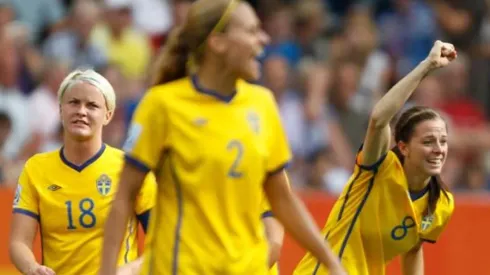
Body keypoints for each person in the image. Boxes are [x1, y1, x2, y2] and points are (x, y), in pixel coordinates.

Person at [99, 0, 345, 274]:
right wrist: (107, 270)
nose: (263, 40)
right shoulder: (162, 106)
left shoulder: (262, 104)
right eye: (251, 31)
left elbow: (283, 200)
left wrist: (332, 263)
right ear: (218, 43)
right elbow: (123, 197)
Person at [294, 40, 457, 275]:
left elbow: (413, 249)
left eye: (443, 141)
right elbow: (379, 119)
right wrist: (427, 66)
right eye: (428, 141)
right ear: (404, 147)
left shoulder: (441, 203)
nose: (439, 149)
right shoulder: (378, 167)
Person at [9, 69, 156, 275]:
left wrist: (127, 271)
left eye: (92, 105)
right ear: (60, 110)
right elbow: (18, 242)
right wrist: (32, 268)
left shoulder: (130, 168)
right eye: (74, 102)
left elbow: (161, 241)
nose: (81, 111)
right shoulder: (36, 168)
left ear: (108, 115)